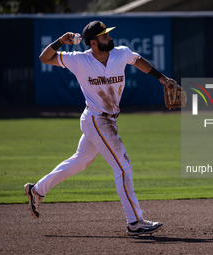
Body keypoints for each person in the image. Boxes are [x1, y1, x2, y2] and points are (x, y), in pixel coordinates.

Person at [24, 20, 171, 236]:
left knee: (81, 161)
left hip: (106, 120)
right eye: (104, 36)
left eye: (108, 34)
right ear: (93, 42)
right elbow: (44, 58)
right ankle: (135, 222)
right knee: (122, 168)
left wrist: (162, 78)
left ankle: (36, 190)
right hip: (96, 119)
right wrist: (60, 42)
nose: (109, 38)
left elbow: (138, 61)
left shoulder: (121, 53)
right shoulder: (79, 60)